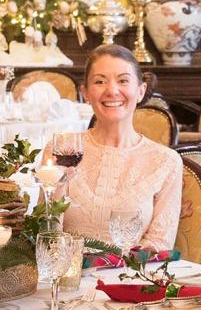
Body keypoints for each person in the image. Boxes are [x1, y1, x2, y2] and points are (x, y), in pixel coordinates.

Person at [58, 45, 182, 250]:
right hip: (67, 276)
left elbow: (159, 244)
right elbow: (46, 232)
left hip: (130, 278)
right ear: (85, 92)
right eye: (100, 82)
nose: (112, 90)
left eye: (123, 80)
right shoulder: (63, 149)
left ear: (141, 91)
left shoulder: (166, 161)